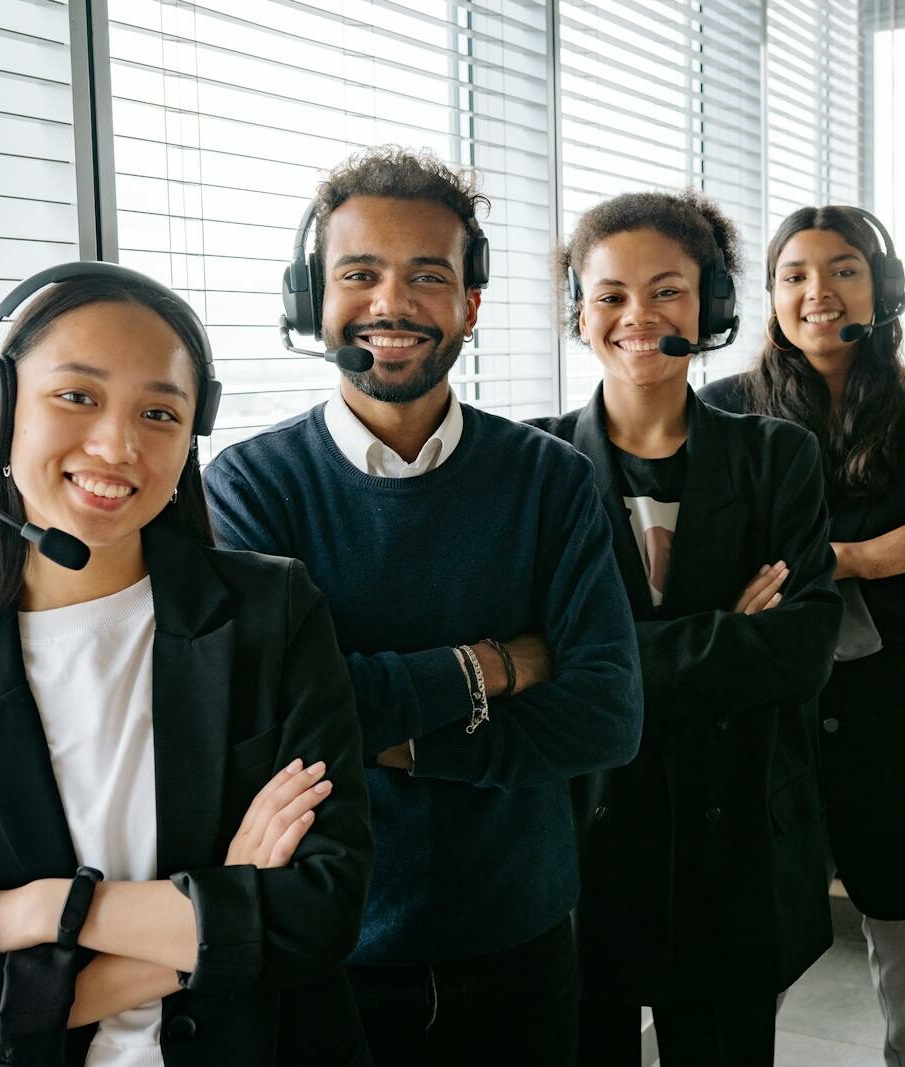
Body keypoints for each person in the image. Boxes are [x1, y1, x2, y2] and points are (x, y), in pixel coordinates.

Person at [0, 264, 373, 1067]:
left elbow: (320, 913)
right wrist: (223, 900)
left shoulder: (272, 614)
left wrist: (43, 909)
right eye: (77, 396)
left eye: (159, 412)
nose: (118, 445)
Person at [203, 146, 643, 1067]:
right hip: (331, 955)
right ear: (311, 299)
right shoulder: (249, 487)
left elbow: (607, 714)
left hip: (520, 941)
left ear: (470, 305)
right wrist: (494, 666)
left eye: (427, 276)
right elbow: (272, 722)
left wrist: (389, 736)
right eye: (358, 274)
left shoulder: (551, 480)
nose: (390, 305)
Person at [530, 190, 841, 1066]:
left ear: (711, 306)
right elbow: (530, 672)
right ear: (579, 312)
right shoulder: (533, 467)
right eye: (611, 294)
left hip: (733, 846)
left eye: (667, 290)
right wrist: (721, 634)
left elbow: (801, 648)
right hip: (584, 848)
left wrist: (590, 654)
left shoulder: (779, 457)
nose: (639, 316)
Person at [701, 206, 905, 1067]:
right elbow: (708, 591)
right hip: (760, 749)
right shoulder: (721, 418)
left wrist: (791, 580)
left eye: (842, 270)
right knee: (730, 1007)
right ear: (768, 296)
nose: (817, 292)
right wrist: (868, 554)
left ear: (882, 288)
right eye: (794, 273)